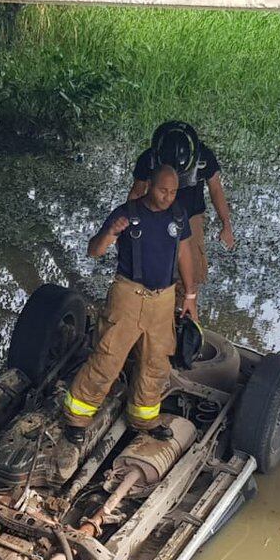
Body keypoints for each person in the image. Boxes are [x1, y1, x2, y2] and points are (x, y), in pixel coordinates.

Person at [62, 165, 197, 446]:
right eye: (163, 190)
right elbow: (94, 250)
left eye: (173, 192)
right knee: (108, 358)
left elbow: (184, 252)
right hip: (128, 295)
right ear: (149, 185)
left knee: (156, 361)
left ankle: (144, 418)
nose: (167, 197)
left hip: (164, 299)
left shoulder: (178, 215)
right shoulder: (126, 213)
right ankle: (76, 417)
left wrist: (190, 296)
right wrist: (111, 232)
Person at [128, 121, 234, 307]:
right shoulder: (149, 158)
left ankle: (187, 311)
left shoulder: (204, 157)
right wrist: (128, 224)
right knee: (153, 269)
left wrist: (226, 225)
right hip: (156, 215)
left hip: (190, 216)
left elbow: (216, 189)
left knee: (191, 272)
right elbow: (137, 193)